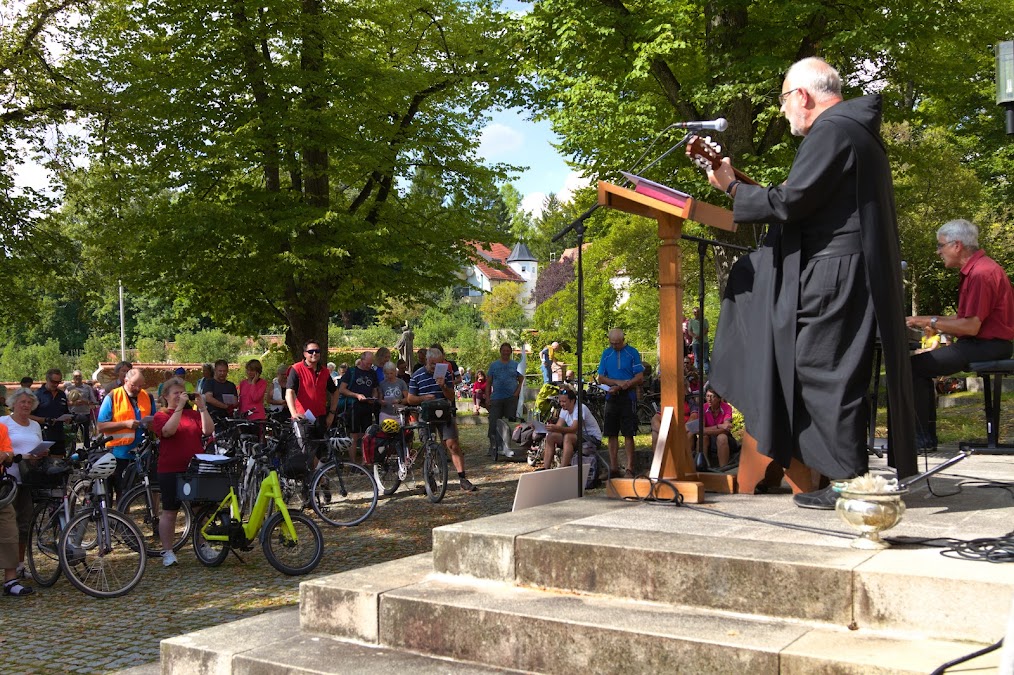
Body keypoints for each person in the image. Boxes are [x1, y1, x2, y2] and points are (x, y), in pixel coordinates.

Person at [696, 56, 917, 508]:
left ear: (802, 96)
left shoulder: (832, 130)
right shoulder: (856, 130)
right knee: (832, 373)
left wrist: (732, 188)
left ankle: (848, 483)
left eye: (783, 101)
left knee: (822, 373)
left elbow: (792, 201)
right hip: (851, 269)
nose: (782, 112)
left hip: (835, 274)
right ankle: (845, 478)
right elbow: (812, 200)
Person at [906, 219, 1014, 450]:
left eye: (940, 245)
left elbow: (970, 327)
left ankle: (922, 440)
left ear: (957, 245)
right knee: (917, 365)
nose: (938, 252)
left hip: (986, 345)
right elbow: (962, 321)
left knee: (913, 368)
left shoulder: (981, 274)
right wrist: (926, 321)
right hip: (984, 343)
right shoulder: (978, 269)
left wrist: (930, 321)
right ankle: (922, 437)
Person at [151, 378, 213, 567]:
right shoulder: (161, 415)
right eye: (176, 393)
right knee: (170, 511)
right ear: (166, 396)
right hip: (170, 469)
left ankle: (204, 545)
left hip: (194, 468)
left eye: (182, 392)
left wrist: (202, 408)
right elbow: (168, 431)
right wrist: (179, 409)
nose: (180, 396)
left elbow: (208, 430)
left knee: (200, 510)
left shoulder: (192, 415)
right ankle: (168, 551)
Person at [407, 348, 477, 492]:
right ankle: (430, 479)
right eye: (432, 364)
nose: (435, 368)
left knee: (453, 444)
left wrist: (444, 386)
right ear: (426, 361)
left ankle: (462, 478)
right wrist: (422, 398)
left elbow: (451, 396)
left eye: (438, 364)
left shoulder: (445, 373)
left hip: (443, 411)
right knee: (428, 446)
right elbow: (410, 399)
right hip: (426, 413)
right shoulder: (416, 375)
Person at [1, 387, 45, 589]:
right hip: (8, 479)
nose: (26, 405)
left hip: (27, 479)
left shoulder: (35, 425)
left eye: (29, 403)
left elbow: (37, 446)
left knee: (22, 525)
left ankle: (18, 565)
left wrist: (41, 453)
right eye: (23, 402)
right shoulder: (4, 423)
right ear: (13, 404)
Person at [97, 369, 156, 499]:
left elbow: (154, 420)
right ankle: (113, 517)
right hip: (117, 453)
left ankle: (123, 516)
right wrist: (124, 424)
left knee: (129, 493)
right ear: (125, 381)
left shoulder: (147, 396)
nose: (138, 389)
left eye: (141, 385)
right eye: (134, 385)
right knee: (117, 490)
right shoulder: (112, 397)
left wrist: (151, 425)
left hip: (141, 453)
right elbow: (100, 426)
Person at [597, 328, 644, 478]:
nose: (614, 346)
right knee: (611, 433)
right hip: (612, 396)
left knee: (628, 433)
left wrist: (627, 384)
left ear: (623, 340)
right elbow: (601, 377)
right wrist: (616, 383)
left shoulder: (632, 353)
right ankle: (613, 467)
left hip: (627, 396)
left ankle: (630, 468)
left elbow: (640, 376)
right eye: (612, 343)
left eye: (617, 343)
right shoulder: (606, 353)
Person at [286, 340, 338, 464]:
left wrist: (331, 413)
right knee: (306, 449)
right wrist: (294, 413)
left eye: (317, 351)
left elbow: (335, 392)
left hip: (320, 416)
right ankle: (318, 476)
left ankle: (316, 478)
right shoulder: (296, 369)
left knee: (319, 449)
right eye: (310, 351)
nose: (314, 353)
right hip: (302, 417)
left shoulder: (324, 371)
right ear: (304, 354)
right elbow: (289, 392)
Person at [541, 388, 602, 471]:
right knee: (551, 436)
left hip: (592, 438)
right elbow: (558, 427)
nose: (561, 404)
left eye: (564, 401)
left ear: (572, 401)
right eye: (560, 401)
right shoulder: (564, 410)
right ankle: (545, 468)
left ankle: (562, 469)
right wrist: (543, 428)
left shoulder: (580, 408)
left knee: (568, 437)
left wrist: (556, 428)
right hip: (578, 436)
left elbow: (574, 429)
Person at [338, 351, 380, 463]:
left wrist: (373, 398)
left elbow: (375, 389)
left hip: (367, 407)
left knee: (367, 435)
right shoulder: (352, 372)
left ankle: (364, 462)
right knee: (354, 434)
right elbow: (342, 389)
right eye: (367, 363)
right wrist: (356, 395)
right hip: (354, 406)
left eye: (371, 363)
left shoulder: (372, 373)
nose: (369, 366)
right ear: (361, 361)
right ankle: (353, 463)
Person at [486, 342, 524, 458]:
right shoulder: (494, 365)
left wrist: (517, 393)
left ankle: (508, 446)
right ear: (500, 351)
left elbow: (522, 380)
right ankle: (493, 446)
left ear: (511, 352)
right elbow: (488, 383)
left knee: (510, 423)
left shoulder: (515, 365)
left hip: (511, 398)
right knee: (493, 423)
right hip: (496, 398)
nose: (506, 352)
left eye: (508, 350)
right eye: (504, 350)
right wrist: (487, 398)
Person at [688, 388, 738, 469]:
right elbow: (701, 429)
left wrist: (707, 430)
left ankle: (723, 468)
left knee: (722, 437)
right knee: (703, 438)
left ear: (719, 399)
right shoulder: (703, 408)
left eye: (713, 396)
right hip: (709, 437)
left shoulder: (727, 408)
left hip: (724, 438)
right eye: (707, 396)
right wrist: (720, 426)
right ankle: (704, 466)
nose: (709, 399)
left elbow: (726, 429)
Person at [31, 368, 71, 455]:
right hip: (42, 435)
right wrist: (44, 420)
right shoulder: (37, 395)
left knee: (58, 465)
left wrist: (68, 418)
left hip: (58, 435)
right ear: (47, 379)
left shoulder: (62, 394)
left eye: (58, 382)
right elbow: (28, 416)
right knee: (43, 464)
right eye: (53, 381)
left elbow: (65, 412)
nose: (56, 384)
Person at [200, 360, 238, 424]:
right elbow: (208, 398)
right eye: (220, 371)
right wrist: (224, 406)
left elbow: (235, 401)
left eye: (224, 371)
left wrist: (233, 404)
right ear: (215, 371)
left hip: (228, 418)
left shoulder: (231, 385)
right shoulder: (209, 382)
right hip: (213, 418)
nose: (222, 373)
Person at [688, 307, 710, 375]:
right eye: (695, 312)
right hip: (696, 343)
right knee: (697, 358)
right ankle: (697, 373)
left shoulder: (704, 320)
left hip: (704, 342)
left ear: (700, 312)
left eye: (697, 312)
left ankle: (707, 372)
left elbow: (706, 329)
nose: (696, 313)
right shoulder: (691, 321)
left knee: (705, 357)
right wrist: (695, 336)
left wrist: (700, 336)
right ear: (693, 313)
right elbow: (689, 331)